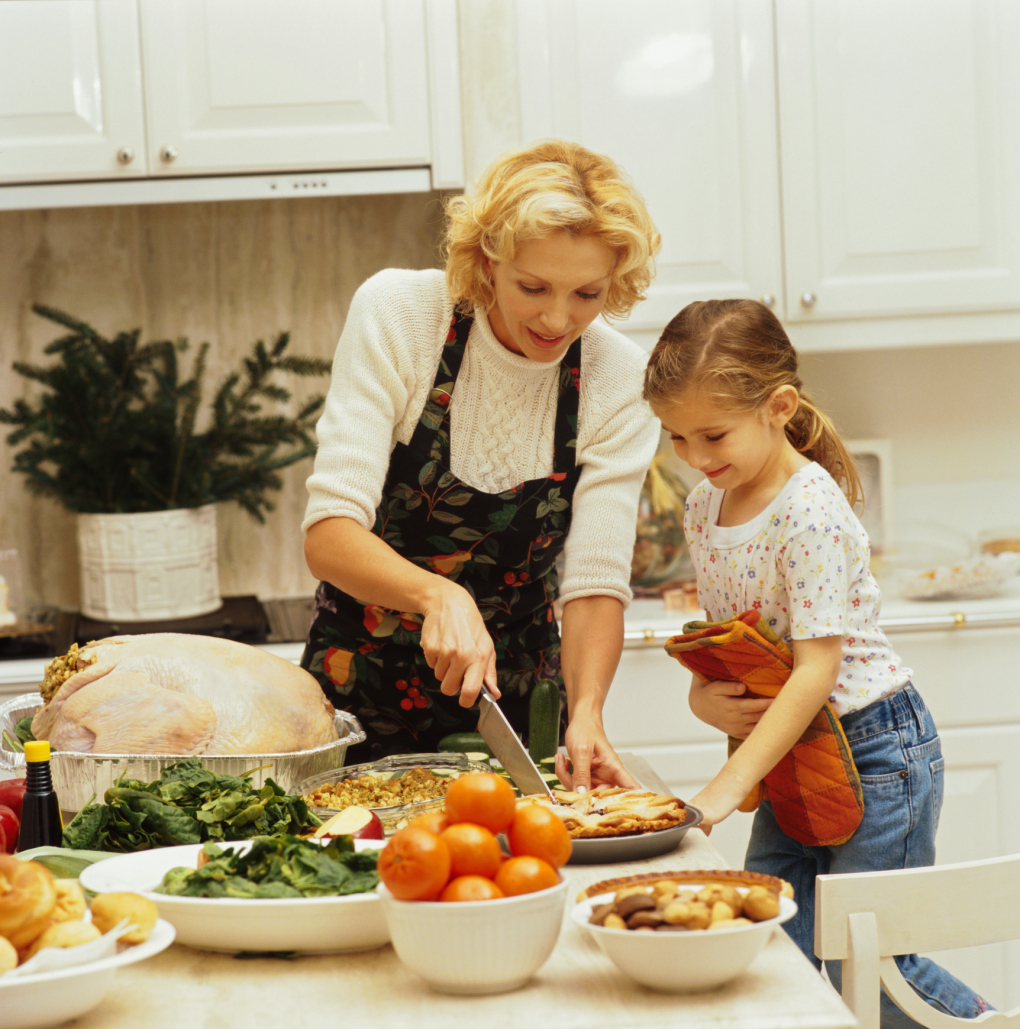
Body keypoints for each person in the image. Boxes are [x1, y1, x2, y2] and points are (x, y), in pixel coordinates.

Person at [642, 299, 991, 1025]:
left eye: (713, 434)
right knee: (775, 948)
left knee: (871, 964)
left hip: (876, 749)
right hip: (794, 757)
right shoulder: (705, 508)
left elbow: (815, 669)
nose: (696, 457)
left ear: (779, 407)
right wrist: (703, 701)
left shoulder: (810, 508)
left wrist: (724, 783)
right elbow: (731, 645)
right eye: (676, 436)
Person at [300, 139, 661, 790]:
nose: (558, 318)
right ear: (488, 258)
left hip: (517, 709)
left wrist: (587, 715)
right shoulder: (402, 316)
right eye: (533, 287)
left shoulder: (620, 379)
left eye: (587, 293)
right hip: (357, 694)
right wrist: (438, 594)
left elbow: (594, 582)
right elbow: (329, 536)